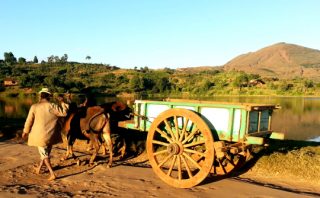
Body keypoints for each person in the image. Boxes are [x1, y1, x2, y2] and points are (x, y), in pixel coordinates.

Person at [22, 88, 69, 181]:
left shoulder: (34, 106)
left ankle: (52, 173)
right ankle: (39, 168)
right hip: (51, 134)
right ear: (49, 97)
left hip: (39, 135)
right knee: (45, 153)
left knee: (44, 154)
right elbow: (64, 113)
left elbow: (29, 121)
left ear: (40, 96)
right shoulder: (52, 105)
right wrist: (63, 102)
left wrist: (25, 131)